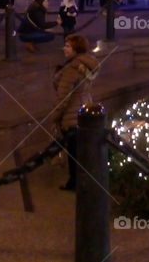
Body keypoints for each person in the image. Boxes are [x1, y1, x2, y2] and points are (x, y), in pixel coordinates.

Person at [51, 34, 98, 191]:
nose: (64, 48)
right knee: (80, 151)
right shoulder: (86, 64)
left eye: (68, 46)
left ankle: (75, 183)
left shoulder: (72, 68)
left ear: (76, 49)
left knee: (74, 153)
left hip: (72, 114)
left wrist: (55, 116)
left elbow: (64, 97)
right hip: (85, 107)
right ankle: (82, 181)